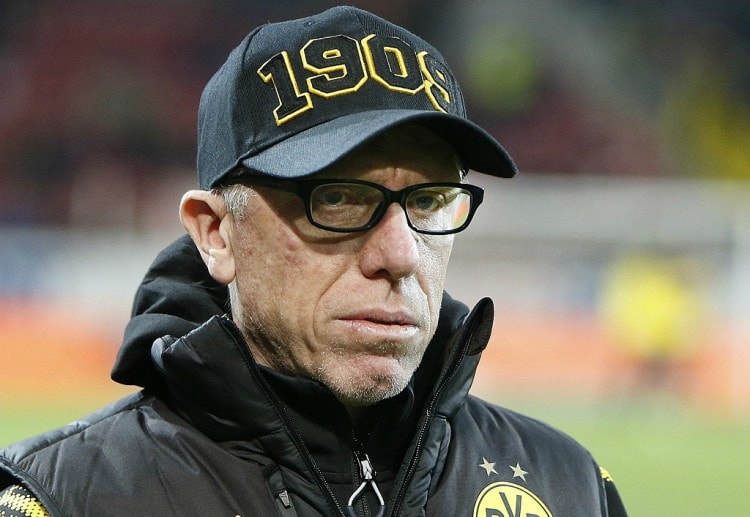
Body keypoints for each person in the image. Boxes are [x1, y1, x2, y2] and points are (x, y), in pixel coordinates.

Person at [0, 6, 627, 516]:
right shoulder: (60, 499)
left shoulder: (571, 488)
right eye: (339, 199)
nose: (401, 254)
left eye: (429, 201)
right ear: (216, 234)